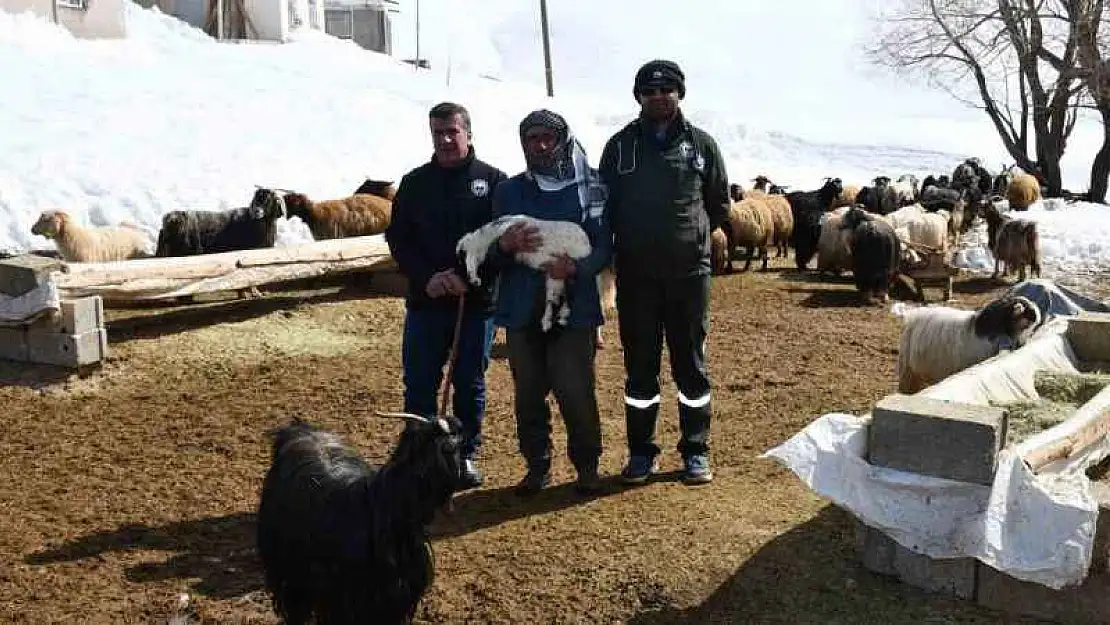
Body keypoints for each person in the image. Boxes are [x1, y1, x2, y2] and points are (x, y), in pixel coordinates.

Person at [598, 60, 731, 486]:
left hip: (689, 276)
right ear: (638, 96)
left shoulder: (702, 146)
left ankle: (695, 450)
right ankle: (642, 453)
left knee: (690, 365)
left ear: (680, 94)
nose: (659, 96)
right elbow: (605, 205)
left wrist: (689, 242)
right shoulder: (620, 147)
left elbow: (718, 205)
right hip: (637, 279)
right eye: (650, 90)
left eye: (668, 89)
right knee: (640, 367)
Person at [485, 109, 612, 496]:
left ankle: (587, 465)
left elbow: (604, 244)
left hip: (574, 307)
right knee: (528, 391)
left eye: (547, 138)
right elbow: (494, 245)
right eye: (531, 139)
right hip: (523, 305)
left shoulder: (588, 187)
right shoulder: (509, 191)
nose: (540, 146)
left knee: (575, 389)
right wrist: (506, 247)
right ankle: (536, 465)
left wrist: (576, 267)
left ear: (563, 140)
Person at [384, 101, 507, 490]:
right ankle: (417, 457)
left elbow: (502, 244)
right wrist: (427, 278)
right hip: (426, 302)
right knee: (419, 383)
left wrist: (467, 277)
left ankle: (464, 455)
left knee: (469, 383)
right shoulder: (415, 183)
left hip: (474, 305)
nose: (446, 140)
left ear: (468, 133)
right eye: (438, 133)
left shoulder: (494, 182)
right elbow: (399, 240)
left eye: (452, 132)